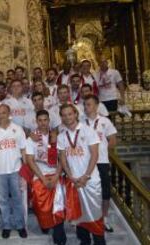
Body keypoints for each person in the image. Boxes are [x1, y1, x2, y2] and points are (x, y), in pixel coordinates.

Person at [57, 104, 105, 245]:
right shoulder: (61, 136)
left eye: (70, 114)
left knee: (95, 213)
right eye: (64, 115)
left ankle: (99, 241)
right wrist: (71, 176)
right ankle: (84, 240)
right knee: (79, 214)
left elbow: (95, 155)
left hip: (90, 180)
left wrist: (86, 176)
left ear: (76, 114)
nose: (67, 117)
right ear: (61, 117)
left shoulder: (88, 131)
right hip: (74, 181)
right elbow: (63, 158)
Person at [0, 104, 27, 239]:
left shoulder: (18, 129)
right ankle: (7, 226)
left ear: (9, 114)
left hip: (16, 170)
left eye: (4, 113)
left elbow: (23, 150)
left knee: (17, 199)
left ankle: (20, 225)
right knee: (2, 201)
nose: (1, 115)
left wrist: (25, 171)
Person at [25, 110, 67, 245]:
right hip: (40, 174)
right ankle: (45, 223)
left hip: (56, 173)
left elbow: (62, 159)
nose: (43, 123)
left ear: (49, 121)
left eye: (45, 120)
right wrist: (43, 178)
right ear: (36, 122)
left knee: (58, 199)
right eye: (40, 120)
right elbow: (30, 161)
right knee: (40, 200)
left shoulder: (57, 137)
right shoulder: (31, 138)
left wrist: (56, 176)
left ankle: (59, 232)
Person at [82, 95, 117, 232]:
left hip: (102, 161)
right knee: (87, 191)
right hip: (85, 163)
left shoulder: (105, 121)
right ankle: (88, 218)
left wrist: (102, 151)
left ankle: (105, 218)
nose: (86, 107)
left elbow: (113, 140)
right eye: (85, 105)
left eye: (89, 104)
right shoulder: (81, 122)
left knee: (105, 191)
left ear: (96, 106)